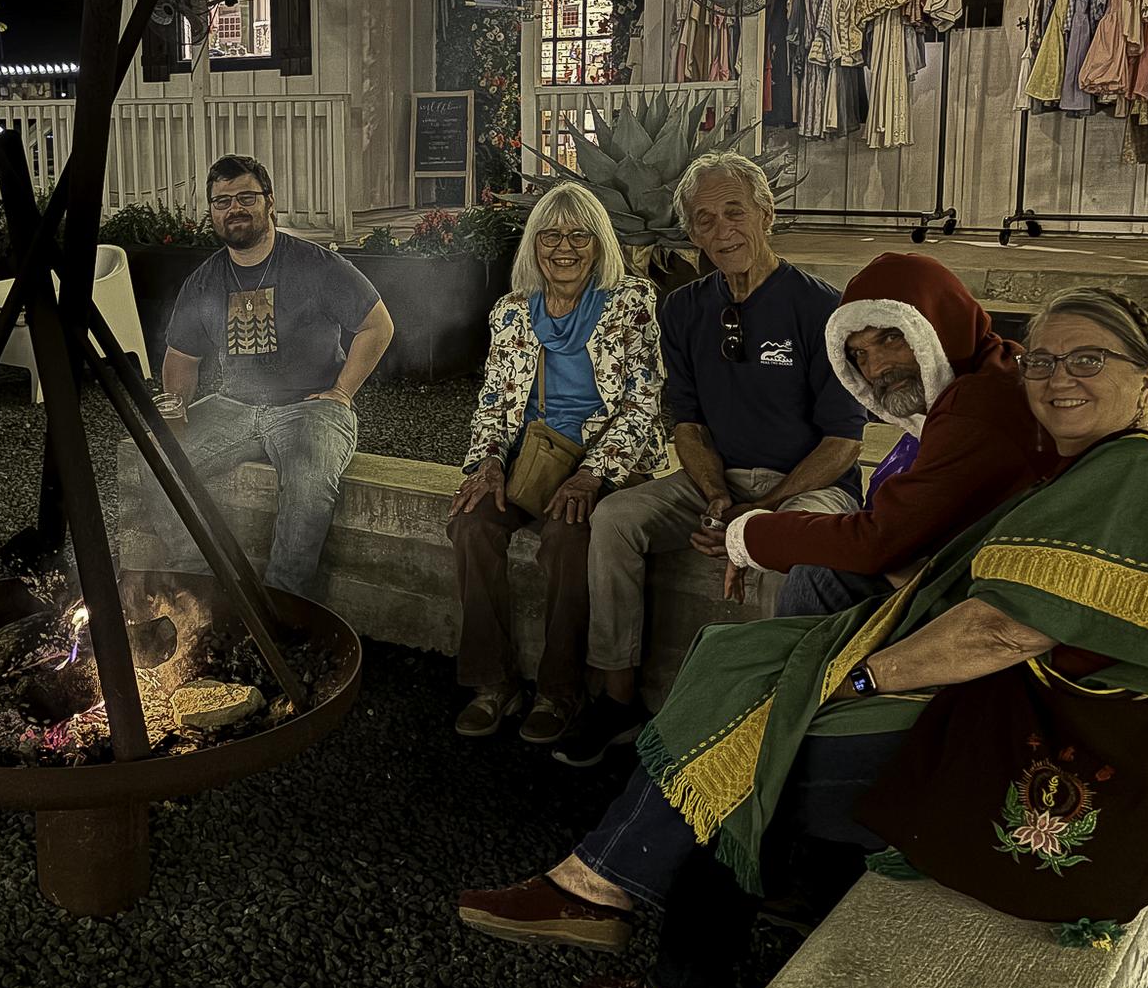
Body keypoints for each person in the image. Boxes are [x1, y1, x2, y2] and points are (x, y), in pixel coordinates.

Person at [457, 287, 1148, 988]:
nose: (1056, 379)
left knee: (751, 757)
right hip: (1050, 715)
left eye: (1087, 360)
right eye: (1042, 361)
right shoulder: (1133, 460)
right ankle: (624, 888)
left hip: (1058, 752)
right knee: (761, 676)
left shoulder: (1133, 470)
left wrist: (861, 676)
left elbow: (1000, 630)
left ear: (1147, 377)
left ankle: (664, 980)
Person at [542, 152, 868, 770]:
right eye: (705, 219)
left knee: (792, 545)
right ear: (690, 232)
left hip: (807, 486)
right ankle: (617, 699)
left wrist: (759, 512)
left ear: (766, 215)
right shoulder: (684, 308)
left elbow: (842, 444)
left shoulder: (822, 309)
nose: (723, 231)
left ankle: (772, 716)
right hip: (717, 479)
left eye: (735, 213)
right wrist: (718, 496)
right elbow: (686, 424)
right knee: (615, 519)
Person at [446, 182, 667, 743]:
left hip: (604, 462)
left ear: (599, 244)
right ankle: (492, 681)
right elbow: (493, 404)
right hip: (531, 462)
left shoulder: (631, 303)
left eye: (578, 236)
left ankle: (560, 690)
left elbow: (643, 403)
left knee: (570, 536)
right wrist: (487, 463)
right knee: (471, 523)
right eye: (550, 235)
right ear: (533, 245)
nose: (563, 248)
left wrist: (594, 474)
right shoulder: (510, 312)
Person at [722, 252, 1057, 616]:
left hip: (1012, 599)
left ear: (940, 324)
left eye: (891, 338)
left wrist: (748, 535)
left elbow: (877, 542)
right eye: (859, 354)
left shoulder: (976, 405)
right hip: (984, 569)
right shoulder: (994, 368)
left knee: (817, 576)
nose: (877, 367)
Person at [149, 154, 394, 599]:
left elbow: (377, 325)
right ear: (212, 211)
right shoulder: (204, 281)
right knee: (158, 464)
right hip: (233, 405)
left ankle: (283, 607)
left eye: (246, 197)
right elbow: (182, 356)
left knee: (308, 487)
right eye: (222, 201)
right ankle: (202, 592)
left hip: (309, 406)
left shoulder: (315, 265)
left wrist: (342, 391)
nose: (234, 209)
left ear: (270, 202)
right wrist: (177, 409)